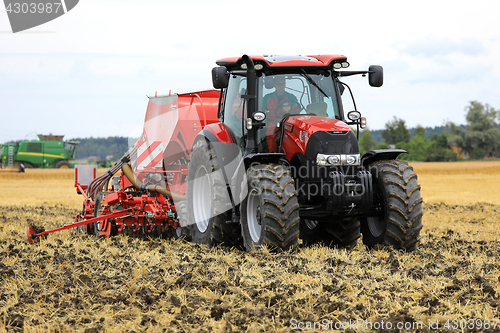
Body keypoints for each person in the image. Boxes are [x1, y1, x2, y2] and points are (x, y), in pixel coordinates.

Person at [262, 76, 300, 152]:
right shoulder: (267, 98)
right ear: (274, 85)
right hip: (272, 122)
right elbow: (262, 112)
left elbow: (297, 109)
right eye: (278, 84)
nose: (281, 86)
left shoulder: (291, 97)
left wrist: (290, 108)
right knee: (271, 131)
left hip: (287, 122)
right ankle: (272, 153)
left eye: (282, 84)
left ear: (285, 85)